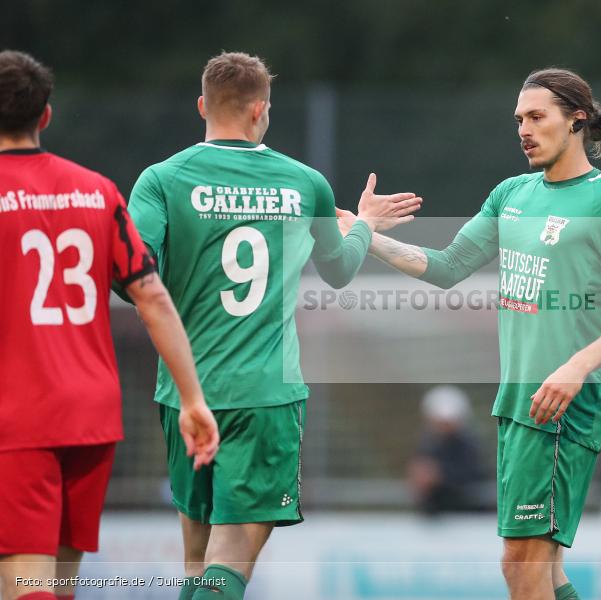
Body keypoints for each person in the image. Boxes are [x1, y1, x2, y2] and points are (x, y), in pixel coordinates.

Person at [339, 68, 601, 600]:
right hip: (517, 402)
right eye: (519, 119)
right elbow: (447, 266)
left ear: (576, 119)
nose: (524, 129)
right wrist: (366, 235)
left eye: (537, 117)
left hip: (564, 405)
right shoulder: (512, 193)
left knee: (523, 564)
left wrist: (577, 368)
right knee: (538, 569)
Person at [123, 51, 421, 600]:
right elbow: (338, 271)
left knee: (197, 562)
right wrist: (366, 226)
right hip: (265, 394)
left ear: (201, 106)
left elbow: (132, 271)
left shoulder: (161, 180)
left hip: (185, 394)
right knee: (228, 565)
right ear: (262, 110)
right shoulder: (305, 183)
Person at [0, 50, 219, 600]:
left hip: (17, 416)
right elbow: (153, 299)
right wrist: (193, 399)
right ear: (45, 116)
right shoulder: (97, 190)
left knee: (24, 581)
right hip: (91, 415)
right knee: (58, 581)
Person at [408, 385, 485, 514]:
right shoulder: (427, 443)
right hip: (437, 515)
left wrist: (438, 477)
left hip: (465, 514)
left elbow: (472, 477)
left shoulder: (468, 445)